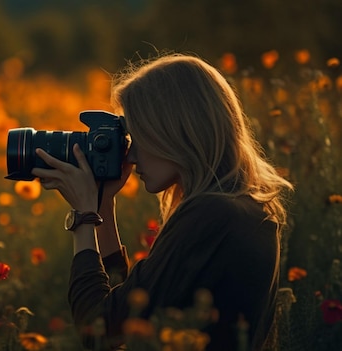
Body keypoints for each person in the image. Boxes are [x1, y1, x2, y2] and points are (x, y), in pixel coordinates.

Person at [31, 53, 294, 350]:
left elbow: (98, 327)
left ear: (172, 131)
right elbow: (132, 307)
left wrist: (83, 216)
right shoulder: (240, 209)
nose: (129, 155)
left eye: (138, 137)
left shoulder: (210, 213)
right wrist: (103, 208)